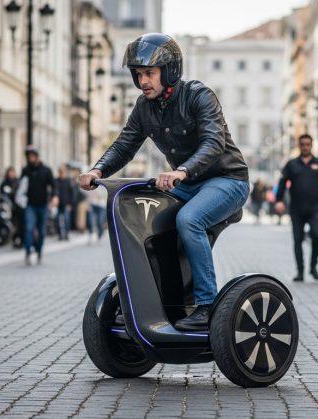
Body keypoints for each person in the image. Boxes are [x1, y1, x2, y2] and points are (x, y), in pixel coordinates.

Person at [78, 33, 249, 331]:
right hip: (188, 183)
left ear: (169, 71)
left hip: (227, 180)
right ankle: (165, 303)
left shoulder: (199, 95)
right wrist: (98, 171)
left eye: (149, 73)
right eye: (139, 74)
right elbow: (125, 144)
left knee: (189, 220)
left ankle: (206, 307)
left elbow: (213, 141)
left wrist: (182, 171)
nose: (143, 81)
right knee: (157, 228)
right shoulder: (145, 107)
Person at [274, 134, 318, 281]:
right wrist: (279, 200)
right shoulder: (291, 164)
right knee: (297, 240)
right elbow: (282, 183)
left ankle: (313, 266)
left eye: (308, 144)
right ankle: (300, 271)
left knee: (316, 235)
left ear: (311, 145)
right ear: (299, 145)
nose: (305, 147)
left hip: (316, 208)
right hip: (296, 208)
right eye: (302, 144)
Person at [20, 146, 56, 265]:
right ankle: (28, 253)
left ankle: (39, 252)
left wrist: (55, 197)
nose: (30, 158)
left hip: (43, 205)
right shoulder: (26, 170)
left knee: (41, 231)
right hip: (30, 205)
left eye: (32, 156)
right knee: (29, 229)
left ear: (36, 156)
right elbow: (21, 186)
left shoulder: (46, 170)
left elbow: (54, 185)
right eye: (28, 156)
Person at [55, 167, 74, 241]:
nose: (61, 174)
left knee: (66, 219)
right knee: (57, 220)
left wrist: (71, 204)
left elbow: (72, 193)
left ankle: (66, 234)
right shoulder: (56, 180)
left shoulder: (68, 181)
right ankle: (59, 234)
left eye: (62, 172)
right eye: (60, 172)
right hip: (58, 204)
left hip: (66, 204)